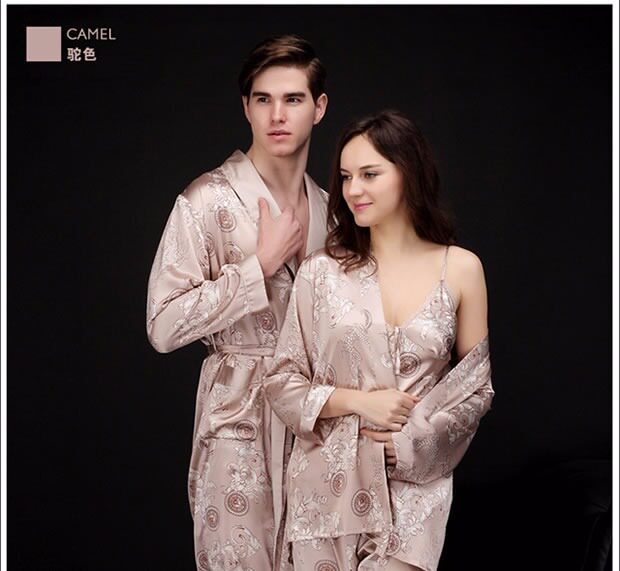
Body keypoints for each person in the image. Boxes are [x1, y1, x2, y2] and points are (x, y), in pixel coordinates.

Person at [263, 110, 494, 571]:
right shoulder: (320, 272)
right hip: (326, 487)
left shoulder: (460, 268)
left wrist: (412, 442)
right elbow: (281, 382)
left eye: (370, 174)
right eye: (347, 176)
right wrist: (358, 402)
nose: (353, 190)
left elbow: (475, 391)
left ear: (409, 172)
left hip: (415, 490)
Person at [146, 35, 329, 571]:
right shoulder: (206, 199)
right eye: (263, 99)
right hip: (237, 420)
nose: (277, 115)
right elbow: (162, 324)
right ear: (246, 107)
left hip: (316, 424)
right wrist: (258, 267)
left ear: (318, 108)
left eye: (293, 99)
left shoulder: (333, 210)